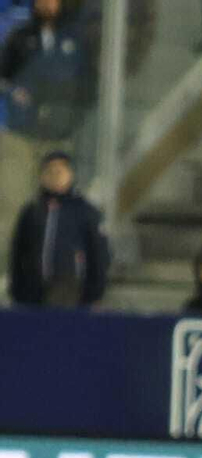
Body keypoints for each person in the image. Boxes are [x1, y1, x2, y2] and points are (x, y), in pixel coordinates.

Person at [0, 0, 88, 275]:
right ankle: (5, 274)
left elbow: (85, 85)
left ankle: (49, 275)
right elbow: (3, 76)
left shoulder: (74, 40)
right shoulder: (21, 38)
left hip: (57, 140)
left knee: (57, 210)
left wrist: (70, 118)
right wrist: (14, 92)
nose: (47, 4)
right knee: (12, 205)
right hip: (20, 135)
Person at [7, 150, 108, 308]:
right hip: (32, 291)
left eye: (59, 171)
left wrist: (95, 292)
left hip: (70, 290)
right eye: (49, 171)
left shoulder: (85, 211)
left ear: (70, 174)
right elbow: (18, 252)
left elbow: (99, 254)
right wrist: (16, 290)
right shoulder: (32, 211)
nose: (54, 176)